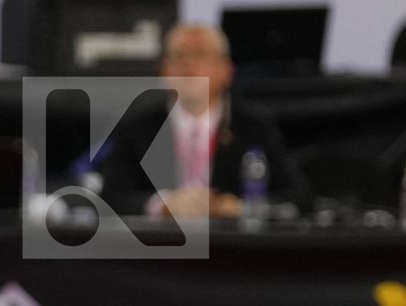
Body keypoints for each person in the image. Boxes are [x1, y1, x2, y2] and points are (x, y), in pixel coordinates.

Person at [98, 23, 311, 219]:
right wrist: (163, 205)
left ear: (226, 71)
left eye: (200, 55)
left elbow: (298, 196)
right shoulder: (138, 126)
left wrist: (244, 209)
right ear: (164, 70)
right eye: (179, 56)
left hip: (234, 250)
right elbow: (110, 199)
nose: (188, 65)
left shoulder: (253, 124)